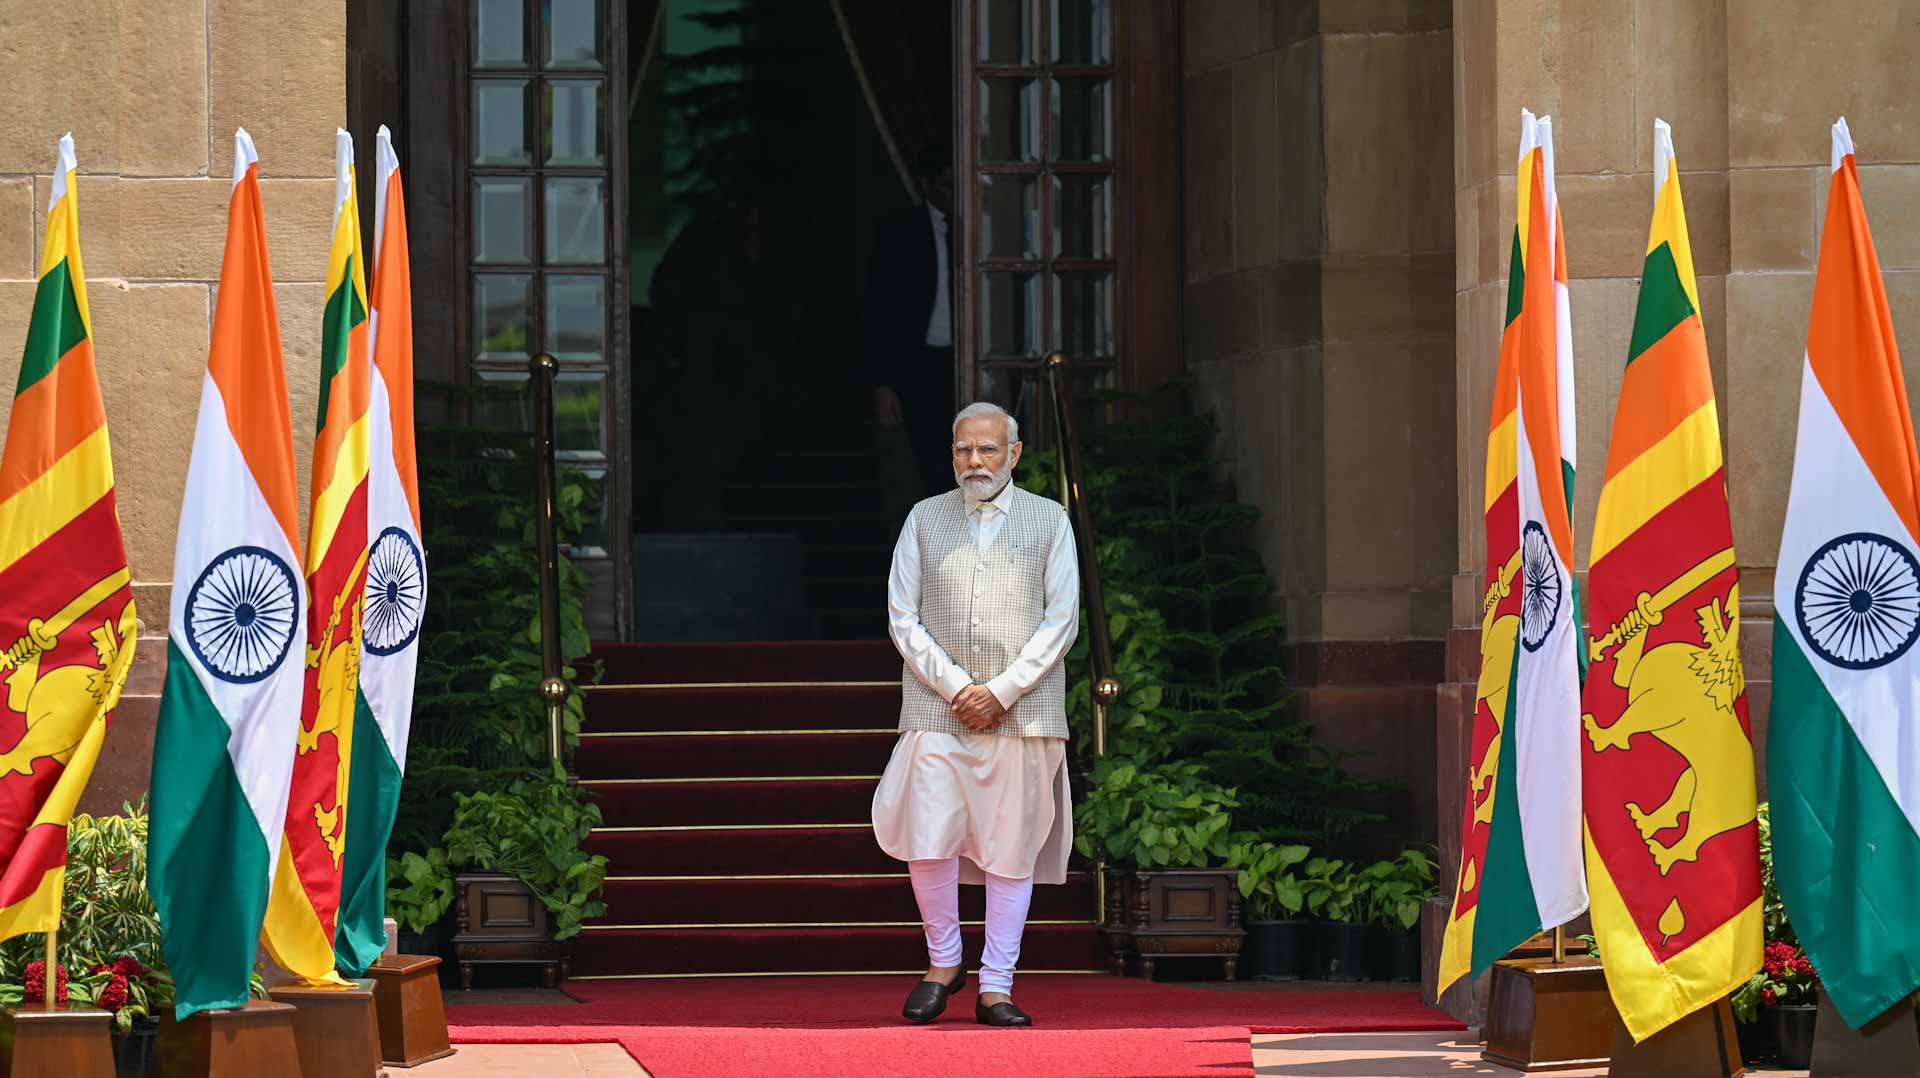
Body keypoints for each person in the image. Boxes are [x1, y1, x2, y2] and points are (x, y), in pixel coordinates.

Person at [870, 402, 1080, 1027]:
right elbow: (902, 617)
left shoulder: (1050, 519)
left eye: (988, 450)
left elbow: (1062, 618)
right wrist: (961, 688)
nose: (974, 462)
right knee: (925, 837)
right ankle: (944, 960)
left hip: (1024, 709)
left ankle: (996, 983)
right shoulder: (923, 517)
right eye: (964, 450)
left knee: (1009, 845)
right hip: (939, 709)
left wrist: (1004, 691)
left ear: (1013, 454)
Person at [864, 142, 958, 501]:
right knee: (926, 462)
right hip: (917, 362)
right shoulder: (899, 233)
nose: (953, 196)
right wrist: (883, 383)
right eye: (946, 186)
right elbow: (878, 310)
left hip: (965, 358)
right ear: (927, 185)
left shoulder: (980, 229)